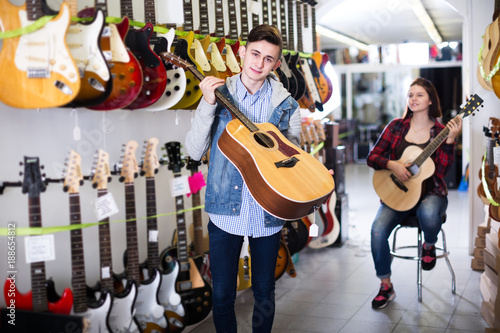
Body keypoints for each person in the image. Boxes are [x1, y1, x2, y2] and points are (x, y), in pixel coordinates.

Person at [184, 24, 301, 332]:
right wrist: (207, 104)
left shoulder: (287, 105)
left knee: (264, 290)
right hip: (225, 209)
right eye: (255, 54)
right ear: (242, 52)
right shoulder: (217, 94)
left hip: (268, 210)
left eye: (268, 59)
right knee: (222, 294)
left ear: (276, 64)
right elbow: (194, 150)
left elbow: (294, 161)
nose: (259, 63)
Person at [366, 77, 462, 309]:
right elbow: (372, 157)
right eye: (410, 95)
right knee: (377, 231)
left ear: (430, 100)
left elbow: (442, 172)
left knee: (429, 214)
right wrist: (394, 166)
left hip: (431, 193)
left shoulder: (440, 131)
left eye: (419, 95)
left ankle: (429, 244)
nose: (413, 99)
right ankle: (385, 286)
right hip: (398, 195)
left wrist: (449, 141)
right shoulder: (396, 127)